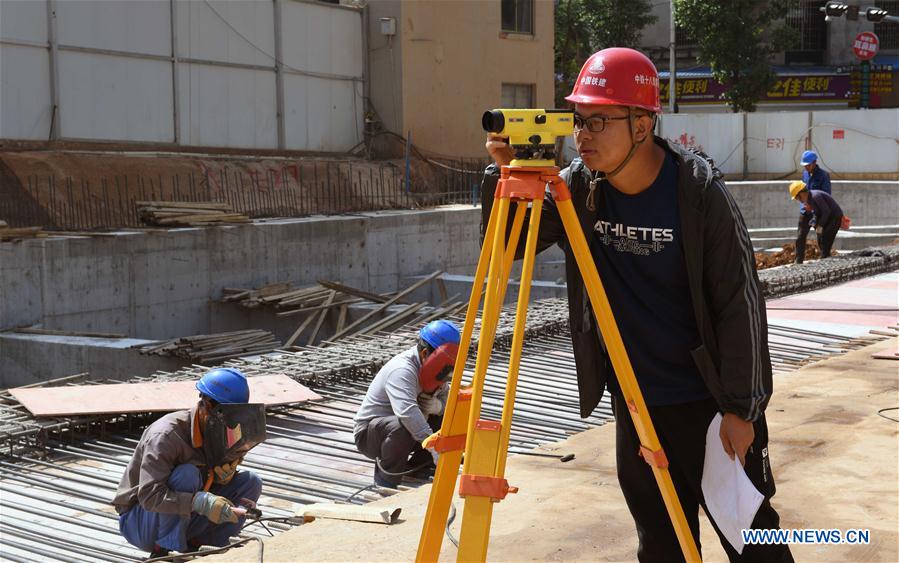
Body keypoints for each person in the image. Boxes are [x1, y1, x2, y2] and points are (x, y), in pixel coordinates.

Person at [482, 47, 792, 562]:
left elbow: (740, 305)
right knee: (661, 544)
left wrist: (743, 410)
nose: (584, 135)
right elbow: (509, 246)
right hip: (636, 403)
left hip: (708, 404)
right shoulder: (579, 188)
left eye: (600, 121)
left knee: (755, 542)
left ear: (644, 124)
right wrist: (505, 176)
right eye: (579, 120)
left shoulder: (698, 194)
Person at [113, 368, 263, 558]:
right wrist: (199, 502)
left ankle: (207, 546)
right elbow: (150, 496)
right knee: (187, 474)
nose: (230, 422)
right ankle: (166, 552)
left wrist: (222, 476)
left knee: (251, 481)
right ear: (206, 405)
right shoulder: (166, 435)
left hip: (185, 518)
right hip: (142, 521)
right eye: (225, 415)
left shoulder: (224, 429)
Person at [353, 319, 461, 488]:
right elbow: (407, 412)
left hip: (408, 432)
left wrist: (439, 407)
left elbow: (448, 398)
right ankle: (386, 480)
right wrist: (433, 445)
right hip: (371, 434)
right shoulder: (402, 370)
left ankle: (418, 468)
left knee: (446, 418)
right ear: (425, 353)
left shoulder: (436, 368)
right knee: (403, 425)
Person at [789, 180, 844, 264]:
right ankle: (800, 260)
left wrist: (820, 226)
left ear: (802, 193)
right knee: (811, 236)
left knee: (825, 237)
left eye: (798, 197)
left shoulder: (816, 196)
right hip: (825, 216)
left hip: (834, 218)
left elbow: (826, 211)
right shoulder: (808, 200)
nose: (799, 200)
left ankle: (825, 257)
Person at [795, 150, 832, 261]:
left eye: (808, 165)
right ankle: (798, 261)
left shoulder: (824, 176)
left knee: (821, 236)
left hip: (818, 212)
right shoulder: (805, 174)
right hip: (805, 211)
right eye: (804, 165)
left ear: (814, 162)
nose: (806, 167)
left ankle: (825, 259)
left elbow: (826, 196)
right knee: (800, 237)